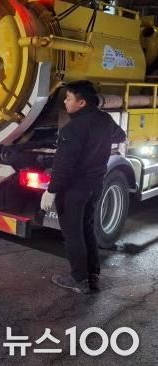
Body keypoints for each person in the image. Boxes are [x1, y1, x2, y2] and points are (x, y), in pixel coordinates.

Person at [41, 80, 127, 294]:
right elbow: (121, 136)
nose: (65, 102)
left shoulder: (72, 129)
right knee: (87, 228)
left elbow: (63, 166)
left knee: (73, 233)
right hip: (95, 185)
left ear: (81, 103)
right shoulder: (104, 119)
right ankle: (92, 274)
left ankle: (79, 278)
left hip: (73, 190)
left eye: (69, 98)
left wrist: (51, 190)